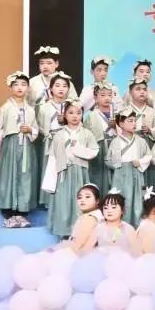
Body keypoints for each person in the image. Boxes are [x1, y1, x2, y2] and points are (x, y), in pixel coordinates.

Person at [0, 71, 40, 229]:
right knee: (9, 176)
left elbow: (36, 129)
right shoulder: (6, 108)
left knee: (25, 176)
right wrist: (7, 136)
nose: (20, 87)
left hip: (26, 147)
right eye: (16, 84)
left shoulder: (30, 110)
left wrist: (30, 130)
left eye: (23, 84)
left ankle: (22, 213)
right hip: (11, 147)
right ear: (11, 87)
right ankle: (9, 214)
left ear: (28, 88)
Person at [45, 101, 100, 237]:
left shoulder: (87, 133)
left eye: (78, 113)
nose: (75, 116)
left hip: (80, 173)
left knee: (81, 201)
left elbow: (94, 151)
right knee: (63, 202)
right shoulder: (59, 135)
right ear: (64, 115)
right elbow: (53, 158)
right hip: (63, 174)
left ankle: (81, 232)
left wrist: (78, 150)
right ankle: (64, 233)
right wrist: (50, 182)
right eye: (71, 113)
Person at [105, 108, 152, 226]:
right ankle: (120, 227)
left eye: (135, 121)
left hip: (136, 173)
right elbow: (108, 159)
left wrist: (140, 162)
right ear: (121, 124)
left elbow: (149, 155)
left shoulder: (141, 141)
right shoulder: (115, 141)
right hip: (120, 175)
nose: (134, 123)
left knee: (137, 200)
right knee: (121, 199)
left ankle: (136, 227)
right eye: (130, 121)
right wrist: (116, 165)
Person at [36, 72, 74, 207]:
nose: (61, 89)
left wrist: (66, 121)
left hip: (67, 140)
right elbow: (39, 126)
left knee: (66, 168)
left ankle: (66, 198)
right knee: (50, 169)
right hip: (51, 140)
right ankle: (49, 201)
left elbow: (78, 123)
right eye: (57, 85)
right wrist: (48, 134)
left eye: (64, 86)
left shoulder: (71, 106)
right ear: (51, 88)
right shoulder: (44, 107)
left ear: (68, 89)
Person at [83, 82, 117, 192]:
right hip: (99, 148)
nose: (107, 98)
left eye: (109, 95)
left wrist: (117, 126)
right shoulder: (91, 116)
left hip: (115, 147)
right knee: (99, 174)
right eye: (102, 95)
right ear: (95, 98)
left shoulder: (117, 114)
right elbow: (86, 135)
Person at [96, 190, 140, 254]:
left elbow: (137, 253)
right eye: (105, 208)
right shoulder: (98, 228)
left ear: (122, 210)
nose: (109, 211)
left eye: (113, 207)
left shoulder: (128, 229)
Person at [66, 184, 102, 254]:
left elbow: (78, 245)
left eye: (87, 197)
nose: (82, 200)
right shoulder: (95, 215)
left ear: (97, 200)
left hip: (83, 256)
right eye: (79, 197)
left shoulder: (90, 218)